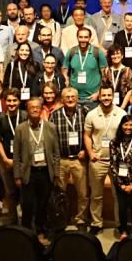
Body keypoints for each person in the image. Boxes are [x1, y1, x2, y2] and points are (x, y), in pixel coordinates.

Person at [13, 97, 60, 239]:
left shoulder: (51, 127)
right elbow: (16, 155)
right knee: (27, 204)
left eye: (37, 107)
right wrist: (17, 175)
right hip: (29, 172)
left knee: (43, 204)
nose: (34, 109)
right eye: (31, 107)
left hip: (46, 172)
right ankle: (26, 232)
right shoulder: (20, 128)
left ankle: (41, 229)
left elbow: (56, 153)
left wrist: (56, 174)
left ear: (41, 110)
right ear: (27, 110)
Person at [84, 83, 126, 234]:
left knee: (118, 195)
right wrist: (90, 153)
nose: (106, 98)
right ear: (99, 96)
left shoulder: (121, 114)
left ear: (113, 96)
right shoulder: (91, 114)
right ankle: (96, 223)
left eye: (109, 95)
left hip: (116, 162)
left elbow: (126, 136)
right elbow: (87, 136)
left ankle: (119, 224)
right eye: (104, 95)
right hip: (98, 161)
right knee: (96, 195)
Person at [50, 87, 89, 231]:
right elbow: (51, 140)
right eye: (67, 97)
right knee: (60, 193)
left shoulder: (85, 112)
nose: (70, 99)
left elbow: (89, 135)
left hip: (79, 160)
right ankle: (61, 218)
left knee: (83, 193)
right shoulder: (54, 115)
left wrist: (86, 150)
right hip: (62, 159)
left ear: (77, 98)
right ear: (62, 99)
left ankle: (81, 220)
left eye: (73, 96)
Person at [109, 114, 132, 240]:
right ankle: (124, 230)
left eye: (131, 125)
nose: (128, 127)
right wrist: (120, 184)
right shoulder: (114, 142)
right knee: (122, 207)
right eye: (126, 125)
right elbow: (113, 164)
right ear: (121, 126)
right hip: (120, 181)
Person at [62, 27, 108, 109]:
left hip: (92, 98)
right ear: (77, 38)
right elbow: (65, 71)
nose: (83, 40)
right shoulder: (71, 52)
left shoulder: (97, 53)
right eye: (81, 37)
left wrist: (98, 93)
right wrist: (69, 90)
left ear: (90, 38)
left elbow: (105, 76)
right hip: (74, 99)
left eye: (86, 37)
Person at [104, 45, 132, 109]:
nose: (115, 56)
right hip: (109, 105)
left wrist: (122, 107)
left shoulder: (127, 70)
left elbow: (130, 90)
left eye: (118, 54)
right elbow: (104, 88)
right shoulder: (107, 70)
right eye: (113, 54)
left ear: (122, 56)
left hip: (123, 105)